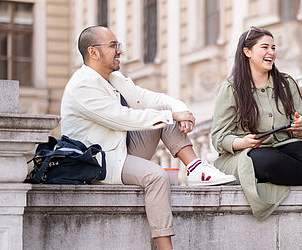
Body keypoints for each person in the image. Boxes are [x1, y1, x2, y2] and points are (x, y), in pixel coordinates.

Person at [60, 26, 236, 250]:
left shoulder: (113, 78)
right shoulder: (82, 85)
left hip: (121, 149)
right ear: (93, 52)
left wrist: (182, 113)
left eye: (118, 46)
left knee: (163, 111)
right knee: (156, 175)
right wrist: (171, 115)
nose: (119, 51)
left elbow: (152, 100)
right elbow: (122, 118)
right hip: (98, 160)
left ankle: (196, 168)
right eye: (113, 46)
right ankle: (165, 247)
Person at [211, 27, 302, 250]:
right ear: (247, 52)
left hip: (285, 145)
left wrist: (300, 127)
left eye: (273, 47)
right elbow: (218, 137)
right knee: (267, 162)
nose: (271, 52)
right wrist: (243, 142)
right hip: (248, 153)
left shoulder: (286, 83)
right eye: (264, 47)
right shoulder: (231, 89)